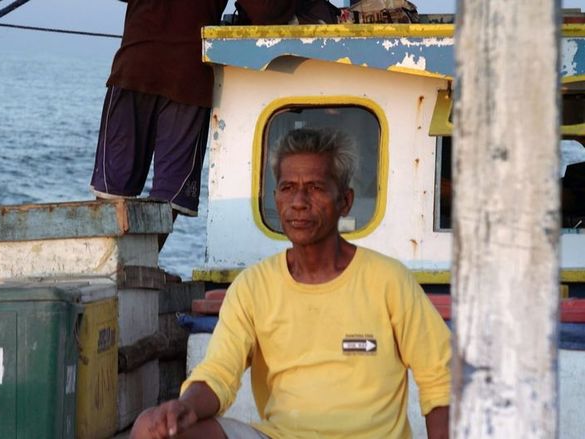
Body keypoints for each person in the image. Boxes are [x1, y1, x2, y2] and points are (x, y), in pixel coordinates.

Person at [130, 128, 451, 439]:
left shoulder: (389, 281)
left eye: (315, 187)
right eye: (287, 188)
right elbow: (218, 373)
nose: (299, 201)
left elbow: (441, 380)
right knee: (151, 428)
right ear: (275, 198)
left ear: (346, 201)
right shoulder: (254, 286)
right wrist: (185, 406)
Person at [90, 1, 298, 221]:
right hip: (188, 77)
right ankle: (141, 255)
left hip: (135, 67)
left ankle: (115, 254)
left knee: (113, 189)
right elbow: (264, 11)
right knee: (170, 195)